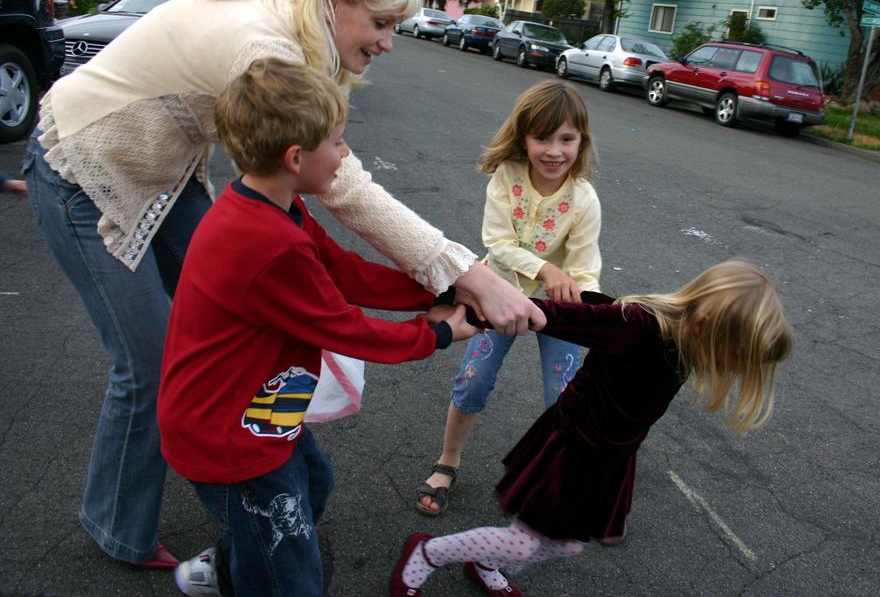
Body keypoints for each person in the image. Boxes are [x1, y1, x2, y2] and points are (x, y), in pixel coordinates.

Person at [20, 0, 541, 569]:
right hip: (83, 167)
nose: (387, 42)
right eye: (380, 23)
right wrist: (465, 275)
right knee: (148, 361)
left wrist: (445, 283)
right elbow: (345, 191)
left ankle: (248, 452)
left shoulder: (295, 20)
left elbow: (337, 258)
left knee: (216, 322)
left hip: (163, 174)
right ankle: (122, 526)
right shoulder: (268, 49)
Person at [161, 57, 480, 596]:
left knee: (312, 484)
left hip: (256, 410)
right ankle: (249, 572)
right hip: (228, 435)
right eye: (338, 142)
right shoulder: (266, 242)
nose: (346, 154)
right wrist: (438, 334)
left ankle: (232, 566)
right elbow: (345, 327)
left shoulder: (276, 206)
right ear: (295, 157)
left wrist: (440, 291)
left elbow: (341, 271)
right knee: (292, 576)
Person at [392, 260, 795, 596]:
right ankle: (429, 552)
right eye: (734, 359)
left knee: (565, 544)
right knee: (527, 540)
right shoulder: (636, 325)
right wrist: (475, 306)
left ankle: (484, 563)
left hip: (608, 456)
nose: (731, 370)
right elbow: (554, 315)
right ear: (706, 325)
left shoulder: (688, 341)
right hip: (570, 447)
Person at [417, 81, 601, 516]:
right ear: (524, 137)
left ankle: (568, 475)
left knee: (565, 395)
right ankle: (449, 458)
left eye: (567, 139)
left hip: (558, 308)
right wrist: (546, 269)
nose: (554, 151)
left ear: (582, 141)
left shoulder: (584, 199)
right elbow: (498, 243)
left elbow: (583, 267)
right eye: (542, 138)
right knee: (474, 379)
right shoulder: (507, 177)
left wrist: (592, 311)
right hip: (497, 292)